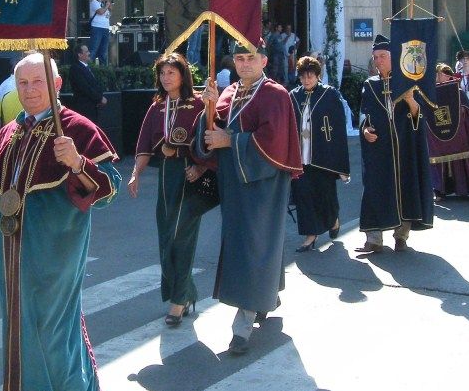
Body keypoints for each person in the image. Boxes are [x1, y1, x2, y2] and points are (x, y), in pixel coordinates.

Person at [0, 52, 120, 391]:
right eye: (23, 83)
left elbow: (109, 188)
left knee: (55, 333)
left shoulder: (78, 128)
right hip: (12, 254)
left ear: (56, 85)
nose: (29, 90)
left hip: (57, 253)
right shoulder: (9, 133)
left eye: (38, 82)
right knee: (23, 334)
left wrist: (78, 163)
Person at [196, 41, 302, 355]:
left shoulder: (275, 94)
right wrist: (207, 108)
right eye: (239, 58)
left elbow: (273, 140)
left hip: (264, 180)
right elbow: (213, 132)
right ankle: (268, 294)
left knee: (255, 244)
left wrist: (230, 140)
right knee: (252, 242)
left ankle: (242, 325)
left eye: (250, 58)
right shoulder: (228, 93)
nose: (244, 64)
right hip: (234, 182)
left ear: (264, 60)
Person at [129, 53, 207, 325]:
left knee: (181, 237)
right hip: (167, 175)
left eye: (171, 73)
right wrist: (136, 174)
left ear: (183, 75)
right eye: (162, 73)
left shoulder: (198, 104)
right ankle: (186, 291)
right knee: (166, 238)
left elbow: (209, 141)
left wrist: (200, 167)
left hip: (191, 176)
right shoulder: (157, 107)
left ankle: (178, 300)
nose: (166, 78)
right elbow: (143, 145)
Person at [356, 35, 434, 253]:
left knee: (404, 188)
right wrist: (365, 129)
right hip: (378, 149)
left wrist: (410, 99)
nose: (378, 61)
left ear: (393, 57)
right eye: (375, 57)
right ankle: (374, 239)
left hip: (404, 146)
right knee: (374, 189)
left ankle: (401, 236)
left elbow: (420, 115)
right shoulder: (370, 85)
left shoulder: (408, 81)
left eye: (382, 56)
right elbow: (364, 113)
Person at [289, 56, 350, 251]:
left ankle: (333, 220)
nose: (306, 80)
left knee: (325, 195)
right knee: (303, 197)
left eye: (310, 76)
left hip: (324, 156)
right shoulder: (294, 96)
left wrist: (341, 164)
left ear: (317, 75)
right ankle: (310, 236)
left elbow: (339, 129)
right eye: (303, 76)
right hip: (300, 158)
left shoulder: (329, 95)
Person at [427, 65, 469, 199]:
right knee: (437, 160)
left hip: (458, 132)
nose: (446, 76)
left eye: (448, 73)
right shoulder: (428, 92)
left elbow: (467, 113)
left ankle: (463, 188)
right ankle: (439, 189)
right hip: (436, 133)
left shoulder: (457, 92)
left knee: (461, 157)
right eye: (442, 73)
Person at [70, 44, 107, 122]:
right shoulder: (75, 68)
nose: (89, 53)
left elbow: (94, 85)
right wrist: (99, 98)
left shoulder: (87, 67)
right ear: (79, 55)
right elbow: (85, 87)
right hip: (84, 108)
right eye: (86, 52)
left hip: (92, 107)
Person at [88, 0, 113, 65]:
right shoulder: (94, 2)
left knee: (104, 50)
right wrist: (107, 6)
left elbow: (108, 15)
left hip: (105, 28)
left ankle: (103, 68)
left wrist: (110, 8)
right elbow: (100, 12)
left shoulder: (104, 4)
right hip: (97, 27)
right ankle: (90, 66)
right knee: (94, 48)